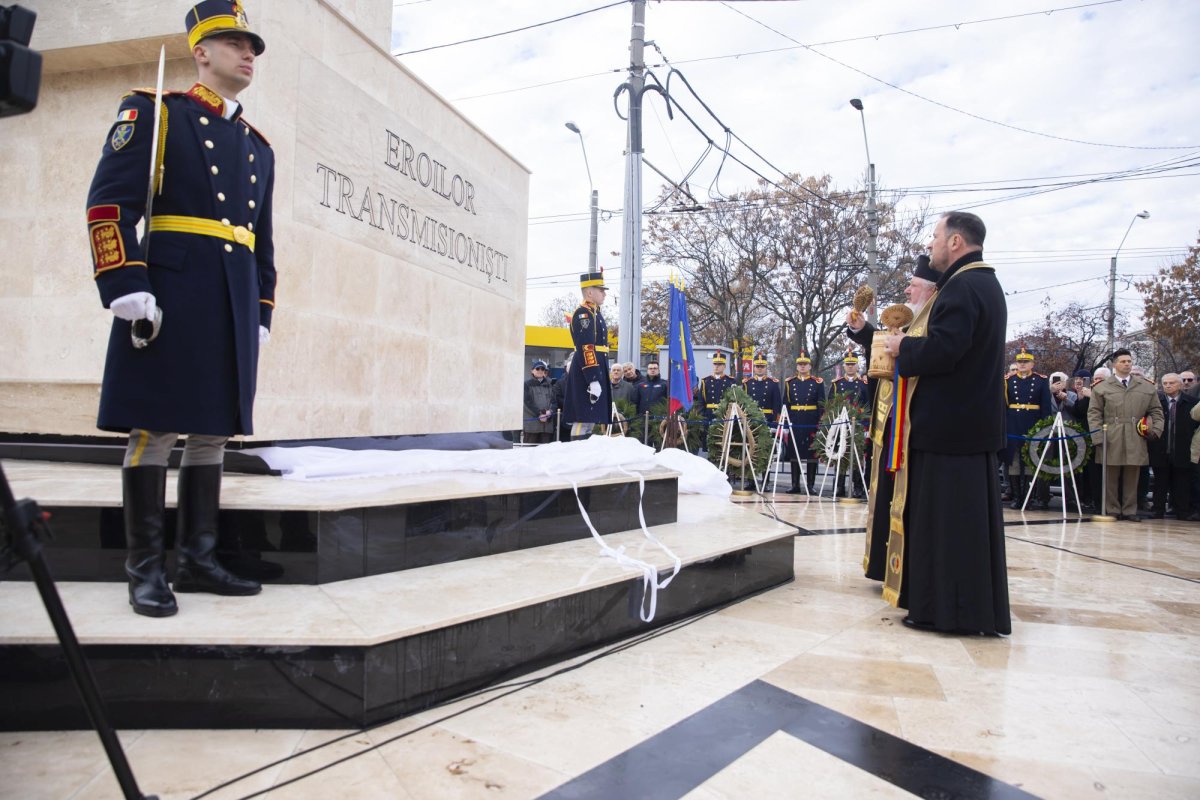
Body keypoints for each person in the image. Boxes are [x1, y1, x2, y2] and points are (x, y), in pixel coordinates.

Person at [86, 1, 272, 617]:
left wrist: (263, 308)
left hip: (231, 297)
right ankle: (144, 569)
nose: (249, 53)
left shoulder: (258, 146)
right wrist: (124, 282)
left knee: (214, 428)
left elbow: (261, 238)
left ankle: (198, 559)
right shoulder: (155, 112)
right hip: (172, 292)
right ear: (201, 51)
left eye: (253, 46)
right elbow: (109, 203)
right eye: (235, 43)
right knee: (157, 424)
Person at [882, 211, 1010, 635]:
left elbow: (945, 351)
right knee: (961, 527)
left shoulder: (961, 286)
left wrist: (904, 346)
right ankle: (962, 608)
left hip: (949, 429)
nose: (932, 244)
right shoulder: (984, 283)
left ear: (956, 241)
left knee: (946, 528)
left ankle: (944, 609)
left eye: (936, 236)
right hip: (967, 427)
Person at [846, 255, 939, 581]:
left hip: (911, 426)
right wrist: (861, 329)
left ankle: (901, 569)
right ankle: (884, 565)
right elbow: (889, 346)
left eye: (912, 285)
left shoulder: (933, 319)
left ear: (928, 289)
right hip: (888, 422)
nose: (907, 290)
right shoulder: (914, 320)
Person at [1087, 349, 1163, 521]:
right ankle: (1112, 508)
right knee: (1111, 475)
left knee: (1132, 473)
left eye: (1129, 361)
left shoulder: (1145, 386)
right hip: (1111, 434)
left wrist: (1156, 430)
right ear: (1114, 365)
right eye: (1123, 361)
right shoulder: (1102, 387)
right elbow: (1094, 413)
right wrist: (1098, 437)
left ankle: (1129, 510)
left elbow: (1157, 411)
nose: (1127, 364)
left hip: (1135, 434)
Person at [564, 271, 612, 439]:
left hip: (596, 366)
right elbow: (586, 347)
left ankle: (585, 456)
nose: (605, 293)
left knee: (591, 418)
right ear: (590, 292)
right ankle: (576, 453)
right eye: (601, 290)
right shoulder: (583, 313)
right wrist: (592, 378)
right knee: (582, 418)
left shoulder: (595, 313)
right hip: (586, 370)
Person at [1004, 347, 1053, 509]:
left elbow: (1046, 408)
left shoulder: (1040, 380)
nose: (1022, 364)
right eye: (1020, 362)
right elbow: (1003, 406)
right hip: (1013, 423)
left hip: (1033, 423)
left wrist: (1045, 429)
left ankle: (1028, 498)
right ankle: (1017, 497)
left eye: (1026, 362)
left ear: (1032, 363)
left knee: (1031, 461)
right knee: (1014, 462)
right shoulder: (1008, 380)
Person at [1148, 373, 1196, 519]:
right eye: (1165, 383)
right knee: (1160, 481)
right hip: (1161, 447)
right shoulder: (1156, 401)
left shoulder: (1192, 402)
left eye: (1172, 383)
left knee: (1181, 482)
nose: (1168, 386)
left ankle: (1182, 511)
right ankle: (1158, 510)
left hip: (1182, 447)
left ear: (1180, 384)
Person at [782, 352, 824, 494]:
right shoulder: (790, 383)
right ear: (797, 366)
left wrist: (821, 424)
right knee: (795, 453)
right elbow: (786, 404)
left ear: (810, 366)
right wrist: (786, 424)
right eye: (800, 364)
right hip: (795, 419)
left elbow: (821, 404)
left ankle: (810, 485)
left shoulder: (817, 382)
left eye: (805, 364)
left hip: (811, 420)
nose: (802, 367)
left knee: (811, 453)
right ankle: (795, 485)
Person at [833, 350, 869, 497]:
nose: (850, 367)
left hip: (858, 426)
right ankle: (839, 485)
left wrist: (867, 425)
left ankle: (857, 486)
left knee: (857, 457)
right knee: (840, 456)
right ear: (844, 366)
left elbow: (868, 405)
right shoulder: (837, 384)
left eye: (852, 364)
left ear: (857, 365)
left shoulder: (863, 384)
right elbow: (830, 405)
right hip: (841, 425)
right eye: (847, 364)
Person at [522, 360, 556, 444]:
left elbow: (554, 401)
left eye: (542, 369)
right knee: (528, 452)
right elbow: (526, 402)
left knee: (545, 453)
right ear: (532, 371)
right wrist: (540, 414)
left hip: (547, 427)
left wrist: (550, 412)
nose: (540, 371)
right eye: (537, 369)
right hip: (532, 426)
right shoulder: (526, 384)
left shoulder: (550, 385)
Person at [743, 352, 782, 425]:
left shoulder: (773, 383)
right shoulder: (747, 383)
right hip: (751, 419)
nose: (760, 368)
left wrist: (775, 420)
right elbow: (743, 403)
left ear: (766, 367)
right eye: (757, 366)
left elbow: (777, 403)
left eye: (762, 366)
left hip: (768, 419)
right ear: (754, 367)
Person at [699, 353, 737, 423]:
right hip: (709, 415)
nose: (716, 366)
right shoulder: (706, 381)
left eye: (719, 364)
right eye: (715, 364)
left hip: (724, 415)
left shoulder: (730, 381)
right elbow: (701, 401)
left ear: (724, 366)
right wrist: (703, 416)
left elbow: (734, 401)